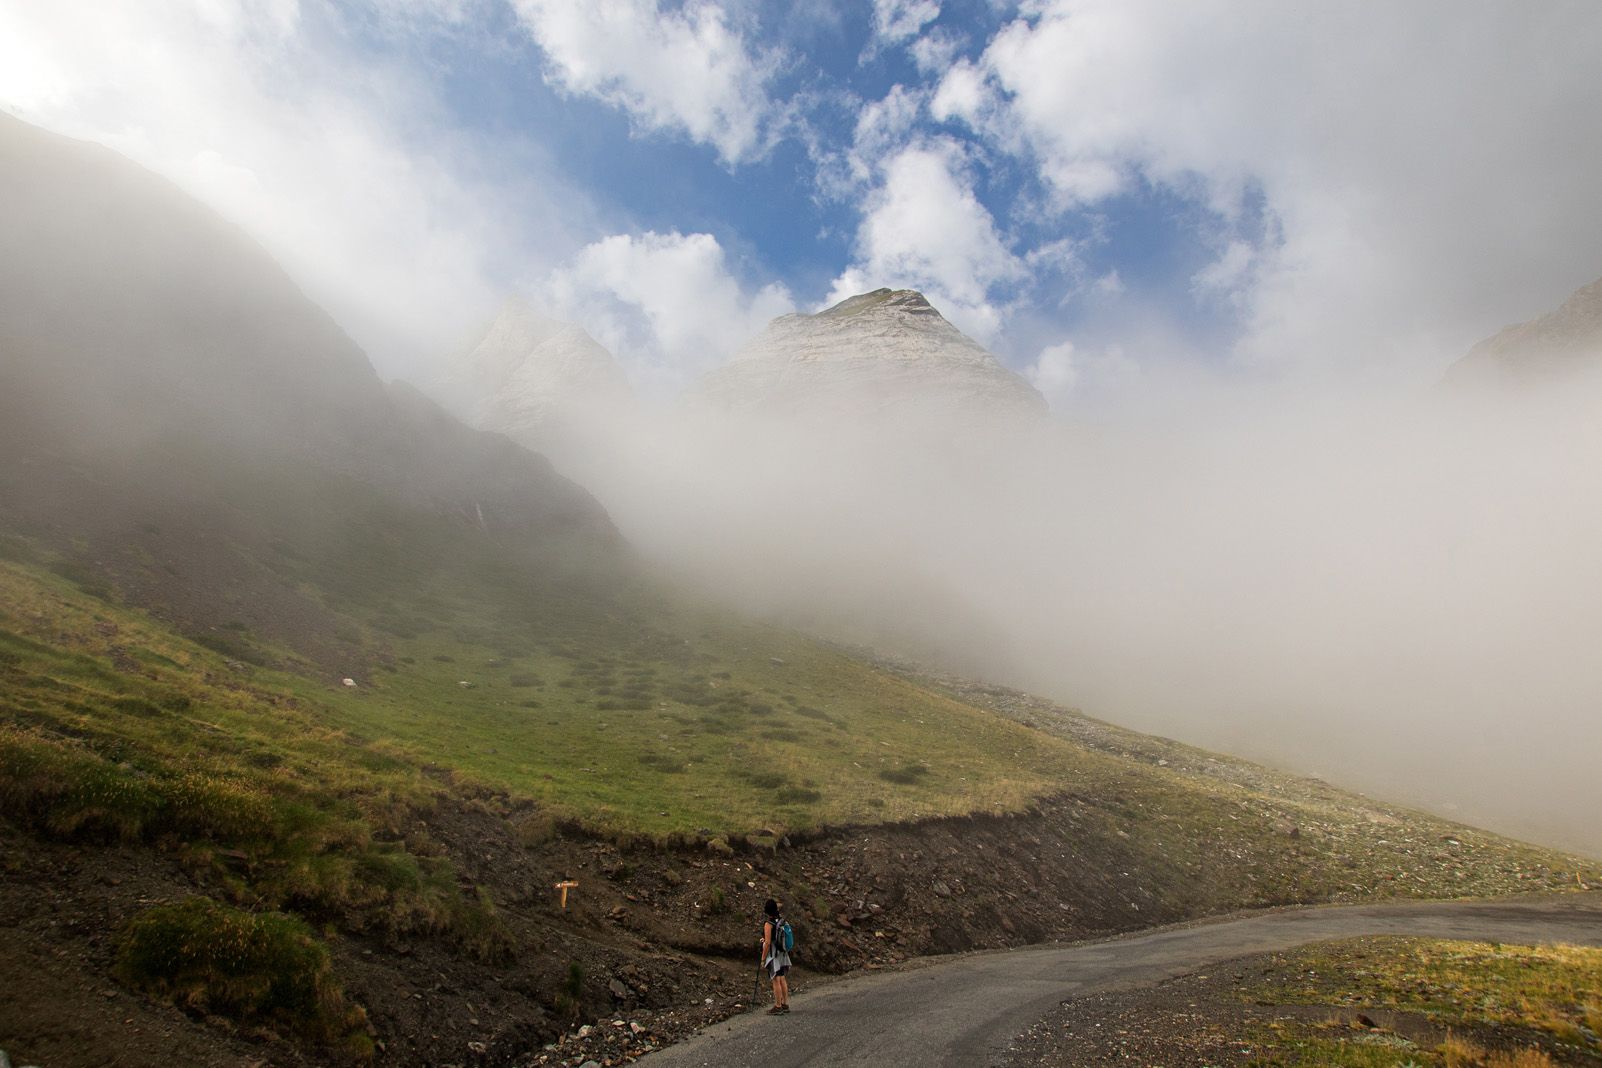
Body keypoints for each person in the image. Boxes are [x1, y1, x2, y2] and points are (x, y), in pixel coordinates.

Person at [760, 898, 791, 1014]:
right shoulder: (781, 921)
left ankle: (777, 1006)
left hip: (774, 955)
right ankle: (785, 1004)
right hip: (783, 953)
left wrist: (763, 958)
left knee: (775, 979)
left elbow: (767, 943)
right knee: (782, 978)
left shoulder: (769, 924)